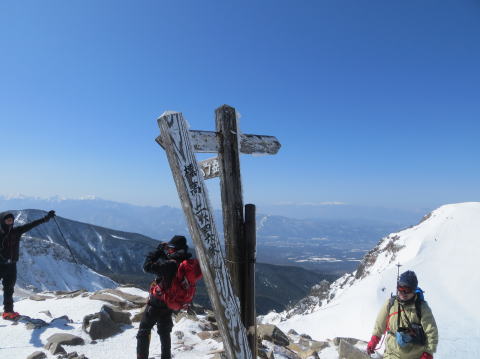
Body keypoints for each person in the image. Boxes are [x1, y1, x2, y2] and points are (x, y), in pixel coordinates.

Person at [136, 235, 201, 359]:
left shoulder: (170, 264)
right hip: (171, 302)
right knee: (164, 332)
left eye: (171, 248)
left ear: (175, 249)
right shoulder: (185, 262)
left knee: (144, 330)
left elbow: (147, 266)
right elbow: (171, 268)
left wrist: (158, 250)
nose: (169, 250)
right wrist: (165, 254)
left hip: (157, 302)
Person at [366, 270, 438, 359]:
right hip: (392, 355)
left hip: (416, 356)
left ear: (414, 290)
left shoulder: (421, 308)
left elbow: (432, 333)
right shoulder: (391, 304)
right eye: (400, 288)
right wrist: (374, 340)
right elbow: (379, 325)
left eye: (407, 290)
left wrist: (428, 353)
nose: (403, 293)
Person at [0, 210, 56, 319]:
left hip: (12, 265)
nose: (10, 222)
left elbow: (31, 225)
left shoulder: (16, 231)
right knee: (8, 289)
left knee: (9, 289)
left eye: (11, 220)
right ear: (2, 221)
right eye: (7, 220)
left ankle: (8, 312)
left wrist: (46, 218)